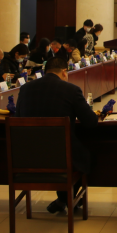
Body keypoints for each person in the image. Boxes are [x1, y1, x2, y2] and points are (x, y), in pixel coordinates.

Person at [16, 55, 98, 214]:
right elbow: (91, 122)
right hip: (61, 158)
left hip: (28, 157)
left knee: (63, 150)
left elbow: (17, 119)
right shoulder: (71, 90)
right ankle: (68, 198)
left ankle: (63, 200)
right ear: (64, 72)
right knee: (86, 154)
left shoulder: (25, 89)